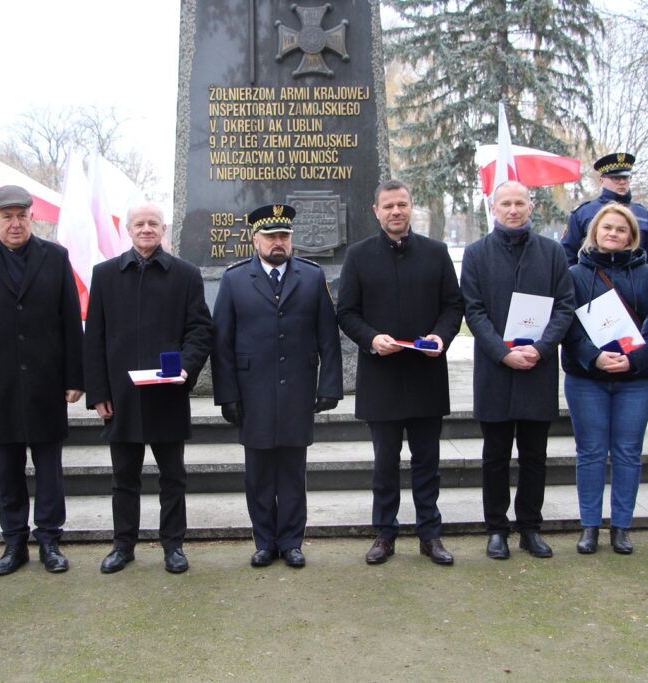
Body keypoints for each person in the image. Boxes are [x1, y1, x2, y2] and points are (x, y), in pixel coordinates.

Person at [0, 185, 85, 576]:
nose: (15, 224)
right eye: (7, 217)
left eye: (22, 216)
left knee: (49, 469)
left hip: (46, 381)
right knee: (8, 470)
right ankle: (14, 542)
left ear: (32, 217)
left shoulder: (55, 257)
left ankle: (49, 540)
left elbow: (70, 320)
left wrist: (75, 377)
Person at [336, 179, 463, 566]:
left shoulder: (436, 253)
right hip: (382, 377)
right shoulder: (359, 256)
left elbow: (453, 305)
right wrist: (372, 339)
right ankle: (384, 534)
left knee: (427, 464)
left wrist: (441, 336)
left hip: (426, 375)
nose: (396, 211)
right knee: (385, 465)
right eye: (388, 205)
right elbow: (346, 312)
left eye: (402, 204)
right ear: (376, 211)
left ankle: (430, 535)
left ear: (411, 207)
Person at [212, 203, 343, 568]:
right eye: (270, 237)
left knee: (292, 472)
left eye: (284, 236)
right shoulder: (235, 279)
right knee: (257, 475)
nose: (278, 242)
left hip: (298, 390)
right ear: (255, 240)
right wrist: (227, 395)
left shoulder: (311, 277)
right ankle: (265, 542)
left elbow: (328, 337)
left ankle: (291, 542)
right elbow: (221, 342)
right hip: (252, 393)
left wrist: (329, 387)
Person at [85, 203, 213, 575]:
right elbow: (94, 337)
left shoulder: (185, 275)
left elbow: (200, 329)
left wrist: (186, 367)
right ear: (128, 229)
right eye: (139, 223)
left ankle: (173, 546)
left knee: (173, 476)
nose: (146, 229)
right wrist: (98, 393)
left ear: (163, 229)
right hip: (121, 397)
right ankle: (123, 546)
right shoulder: (105, 275)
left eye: (153, 223)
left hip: (167, 394)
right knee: (124, 478)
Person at [460, 180, 575, 560]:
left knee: (534, 456)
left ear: (531, 207)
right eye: (506, 203)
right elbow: (473, 309)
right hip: (495, 370)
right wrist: (501, 352)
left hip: (537, 369)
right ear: (493, 208)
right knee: (495, 456)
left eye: (519, 203)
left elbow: (565, 306)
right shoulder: (477, 254)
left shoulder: (553, 253)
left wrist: (541, 349)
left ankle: (530, 527)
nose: (513, 210)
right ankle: (496, 529)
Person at [560, 205, 648, 555]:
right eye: (607, 227)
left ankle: (621, 526)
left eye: (621, 229)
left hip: (635, 380)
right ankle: (589, 526)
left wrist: (633, 360)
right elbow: (567, 325)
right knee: (590, 453)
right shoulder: (574, 275)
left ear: (631, 237)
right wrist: (593, 357)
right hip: (587, 379)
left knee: (627, 453)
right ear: (594, 232)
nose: (613, 233)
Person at [561, 152, 648, 272]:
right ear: (601, 180)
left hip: (634, 279)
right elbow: (568, 254)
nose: (622, 182)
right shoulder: (583, 213)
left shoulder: (643, 215)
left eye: (625, 177)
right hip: (592, 279)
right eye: (615, 178)